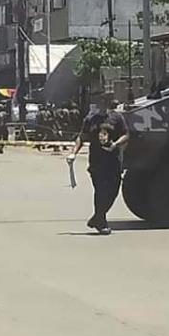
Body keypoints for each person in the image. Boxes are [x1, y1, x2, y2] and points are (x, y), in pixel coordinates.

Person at [67, 99, 129, 235]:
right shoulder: (90, 119)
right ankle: (101, 222)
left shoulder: (117, 117)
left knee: (113, 191)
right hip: (97, 162)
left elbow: (126, 134)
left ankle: (97, 217)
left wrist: (115, 144)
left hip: (113, 161)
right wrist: (73, 153)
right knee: (100, 191)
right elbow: (82, 137)